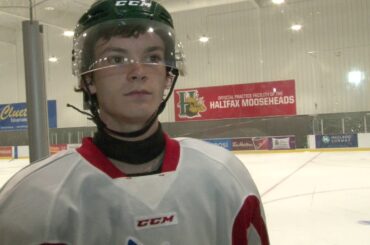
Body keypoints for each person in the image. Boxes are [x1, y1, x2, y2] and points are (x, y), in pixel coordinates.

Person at [0, 0, 269, 244]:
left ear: (167, 75)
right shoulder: (32, 198)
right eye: (116, 59)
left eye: (152, 58)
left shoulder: (225, 177)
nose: (138, 72)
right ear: (88, 79)